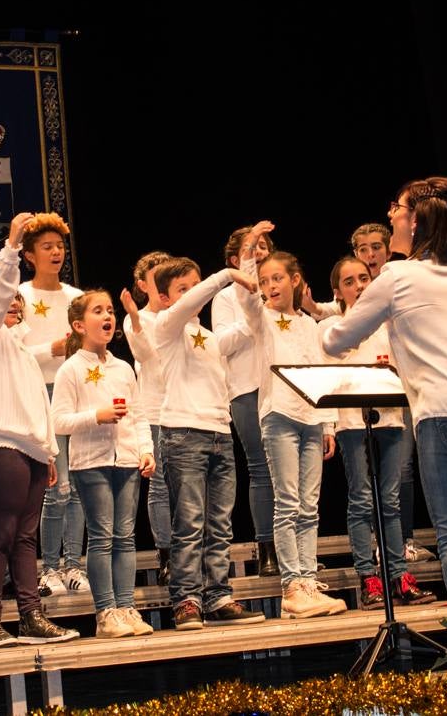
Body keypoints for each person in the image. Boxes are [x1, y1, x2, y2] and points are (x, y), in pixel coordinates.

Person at [322, 176, 447, 598]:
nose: (390, 217)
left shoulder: (397, 276)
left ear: (414, 222)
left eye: (395, 210)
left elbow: (336, 339)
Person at [0, 212, 79, 648]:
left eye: (16, 303)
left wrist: (48, 452)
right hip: (0, 444)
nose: (12, 305)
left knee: (26, 538)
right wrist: (10, 247)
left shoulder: (22, 351)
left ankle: (30, 615)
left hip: (30, 450)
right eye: (4, 300)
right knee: (2, 533)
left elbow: (39, 406)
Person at [147, 255, 265, 629]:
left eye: (195, 286)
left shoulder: (211, 338)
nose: (193, 295)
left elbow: (251, 323)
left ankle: (217, 595)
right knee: (190, 522)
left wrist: (248, 267)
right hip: (182, 433)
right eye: (183, 289)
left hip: (218, 432)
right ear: (166, 298)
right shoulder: (165, 326)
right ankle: (186, 599)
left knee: (220, 523)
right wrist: (226, 274)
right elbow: (189, 303)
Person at [235, 230, 347, 618]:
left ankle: (308, 577)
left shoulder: (311, 325)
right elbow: (247, 300)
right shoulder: (262, 319)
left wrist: (329, 425)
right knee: (288, 502)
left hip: (312, 419)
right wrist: (249, 249)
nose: (269, 286)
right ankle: (292, 585)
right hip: (279, 416)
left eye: (276, 278)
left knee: (309, 504)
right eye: (264, 281)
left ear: (295, 279)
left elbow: (324, 373)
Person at [322, 255, 435, 610]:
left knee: (390, 499)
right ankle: (368, 576)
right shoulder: (333, 329)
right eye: (350, 281)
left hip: (391, 418)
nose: (359, 286)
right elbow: (327, 377)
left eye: (363, 279)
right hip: (354, 423)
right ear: (337, 291)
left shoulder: (390, 325)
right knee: (360, 499)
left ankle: (399, 575)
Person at [51, 290, 157, 637]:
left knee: (125, 536)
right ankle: (105, 613)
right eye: (99, 311)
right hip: (91, 463)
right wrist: (96, 416)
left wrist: (146, 449)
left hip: (127, 461)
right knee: (102, 537)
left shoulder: (124, 367)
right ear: (79, 325)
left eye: (110, 310)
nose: (108, 316)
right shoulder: (71, 369)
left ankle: (126, 607)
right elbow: (59, 421)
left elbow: (139, 415)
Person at [16, 212, 90, 596]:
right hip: (39, 393)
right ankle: (48, 568)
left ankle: (74, 563)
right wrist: (53, 349)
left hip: (75, 391)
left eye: (59, 246)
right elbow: (16, 351)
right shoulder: (22, 296)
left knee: (77, 484)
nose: (55, 252)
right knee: (55, 485)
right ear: (29, 255)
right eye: (46, 247)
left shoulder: (76, 297)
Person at [211, 224, 278, 575]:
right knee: (261, 467)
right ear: (236, 260)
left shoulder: (281, 288)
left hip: (283, 387)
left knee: (290, 472)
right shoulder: (225, 297)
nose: (262, 254)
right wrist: (251, 321)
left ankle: (293, 548)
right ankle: (266, 547)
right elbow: (220, 344)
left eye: (265, 247)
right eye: (254, 249)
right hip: (247, 388)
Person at [120, 250, 174, 585]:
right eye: (158, 275)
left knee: (189, 487)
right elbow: (148, 358)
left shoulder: (181, 317)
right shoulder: (135, 318)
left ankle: (190, 551)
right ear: (143, 284)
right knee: (161, 486)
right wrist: (137, 320)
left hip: (185, 409)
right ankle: (167, 554)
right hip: (155, 409)